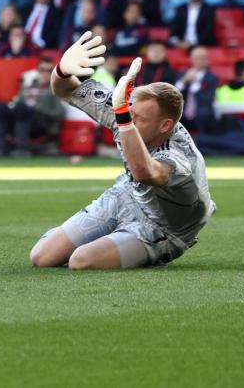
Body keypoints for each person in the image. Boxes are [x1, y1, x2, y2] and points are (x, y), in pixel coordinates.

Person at [30, 32, 216, 269]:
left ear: (165, 126)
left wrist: (122, 117)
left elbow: (144, 172)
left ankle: (155, 253)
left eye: (138, 118)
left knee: (81, 261)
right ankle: (110, 239)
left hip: (164, 228)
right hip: (126, 196)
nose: (129, 118)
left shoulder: (179, 154)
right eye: (129, 112)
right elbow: (65, 90)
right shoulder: (126, 109)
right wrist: (63, 70)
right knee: (42, 257)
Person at [0, 57, 65, 157]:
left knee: (22, 107)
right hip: (21, 118)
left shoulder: (54, 90)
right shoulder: (27, 87)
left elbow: (60, 113)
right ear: (37, 71)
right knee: (1, 106)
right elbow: (17, 103)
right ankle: (0, 148)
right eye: (42, 70)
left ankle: (21, 149)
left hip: (40, 123)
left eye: (49, 71)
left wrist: (39, 109)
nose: (45, 73)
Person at [174, 45, 220, 134]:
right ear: (191, 59)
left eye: (202, 58)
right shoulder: (182, 74)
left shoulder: (212, 78)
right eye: (196, 57)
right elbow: (173, 94)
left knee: (204, 112)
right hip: (183, 112)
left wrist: (195, 83)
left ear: (207, 60)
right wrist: (183, 81)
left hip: (200, 113)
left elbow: (207, 101)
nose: (199, 60)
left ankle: (202, 142)